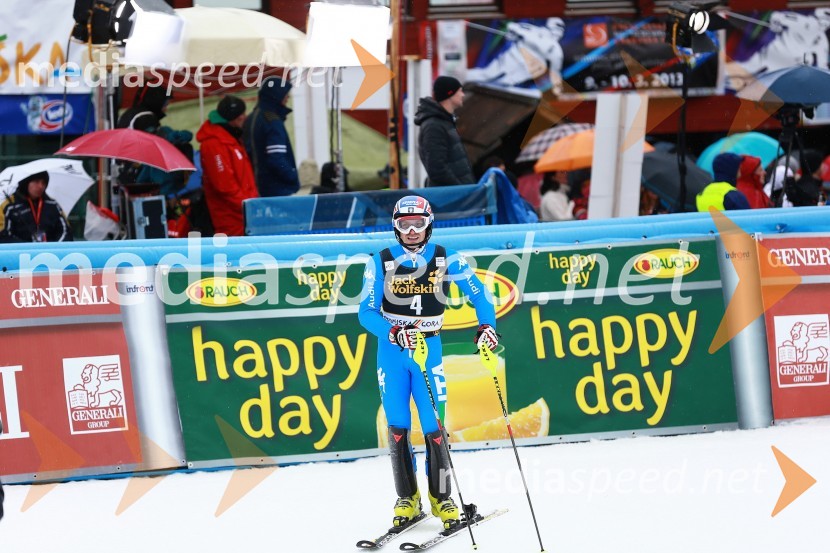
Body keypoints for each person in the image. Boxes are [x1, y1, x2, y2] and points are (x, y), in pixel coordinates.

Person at [358, 195, 497, 530]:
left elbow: (480, 295)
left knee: (435, 427)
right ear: (395, 227)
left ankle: (443, 498)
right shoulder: (380, 261)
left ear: (429, 224)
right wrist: (393, 331)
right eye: (404, 225)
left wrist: (488, 326)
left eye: (417, 224)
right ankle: (407, 498)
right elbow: (365, 312)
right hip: (393, 354)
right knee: (397, 427)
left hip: (429, 350)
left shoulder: (448, 258)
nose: (411, 231)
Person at [196, 95, 259, 236]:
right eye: (241, 114)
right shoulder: (214, 143)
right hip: (231, 218)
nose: (245, 117)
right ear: (234, 118)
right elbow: (224, 186)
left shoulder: (229, 137)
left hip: (243, 214)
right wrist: (247, 205)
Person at [243, 76, 300, 197]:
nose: (287, 98)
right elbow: (276, 159)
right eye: (285, 94)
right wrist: (293, 176)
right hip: (277, 189)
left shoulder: (251, 118)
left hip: (255, 184)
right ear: (276, 96)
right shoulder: (272, 122)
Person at [414, 76, 475, 186]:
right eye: (460, 91)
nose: (463, 95)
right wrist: (460, 190)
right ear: (450, 94)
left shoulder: (444, 122)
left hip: (456, 195)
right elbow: (437, 169)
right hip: (452, 198)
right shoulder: (434, 126)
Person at [0, 171, 73, 243]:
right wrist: (29, 249)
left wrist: (52, 248)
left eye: (43, 183)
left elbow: (66, 231)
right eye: (36, 182)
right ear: (26, 183)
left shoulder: (52, 204)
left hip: (50, 252)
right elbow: (3, 235)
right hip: (20, 253)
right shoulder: (9, 206)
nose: (41, 186)